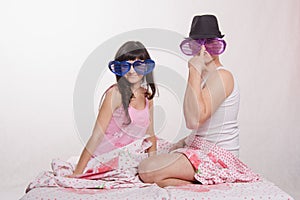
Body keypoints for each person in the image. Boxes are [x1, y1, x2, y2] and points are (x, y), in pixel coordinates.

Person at [138, 15, 258, 187]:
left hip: (218, 157)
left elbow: (193, 120)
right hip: (200, 149)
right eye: (197, 44)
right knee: (151, 153)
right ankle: (197, 182)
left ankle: (208, 179)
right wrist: (182, 143)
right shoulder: (204, 77)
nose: (204, 50)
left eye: (211, 43)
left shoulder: (222, 76)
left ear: (219, 45)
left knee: (147, 169)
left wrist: (193, 70)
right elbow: (203, 126)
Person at [70, 41, 157, 177]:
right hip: (108, 158)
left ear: (146, 67)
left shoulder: (147, 96)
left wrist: (153, 168)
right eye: (126, 66)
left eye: (138, 65)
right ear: (119, 69)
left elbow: (150, 135)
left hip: (132, 158)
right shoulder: (115, 94)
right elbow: (97, 135)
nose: (132, 71)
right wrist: (78, 172)